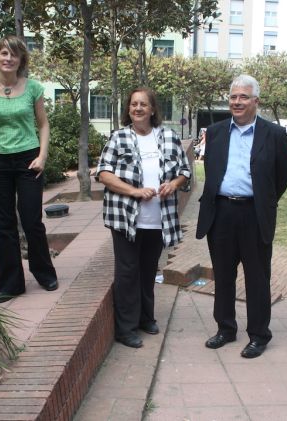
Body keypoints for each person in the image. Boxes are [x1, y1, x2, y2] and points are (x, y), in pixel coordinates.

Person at [195, 74, 287, 359]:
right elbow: (211, 170)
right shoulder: (217, 131)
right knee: (223, 275)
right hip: (221, 213)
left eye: (243, 97)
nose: (236, 102)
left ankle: (259, 335)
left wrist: (263, 202)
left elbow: (280, 179)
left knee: (257, 277)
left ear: (255, 101)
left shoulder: (274, 134)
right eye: (233, 97)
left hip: (254, 214)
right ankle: (225, 328)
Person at [95, 87, 191, 348]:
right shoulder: (118, 138)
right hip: (125, 218)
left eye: (143, 104)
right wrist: (135, 191)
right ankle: (125, 329)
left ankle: (146, 317)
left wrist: (173, 184)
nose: (138, 108)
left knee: (148, 271)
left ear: (152, 109)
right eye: (133, 104)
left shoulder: (168, 136)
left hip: (158, 219)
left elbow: (185, 171)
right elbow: (103, 173)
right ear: (129, 109)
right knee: (127, 272)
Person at [0, 35, 58, 304]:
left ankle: (44, 272)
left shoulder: (33, 88)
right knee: (4, 223)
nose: (8, 58)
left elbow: (43, 124)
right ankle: (11, 283)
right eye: (3, 53)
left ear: (21, 59)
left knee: (32, 219)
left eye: (13, 54)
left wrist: (42, 156)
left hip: (28, 160)